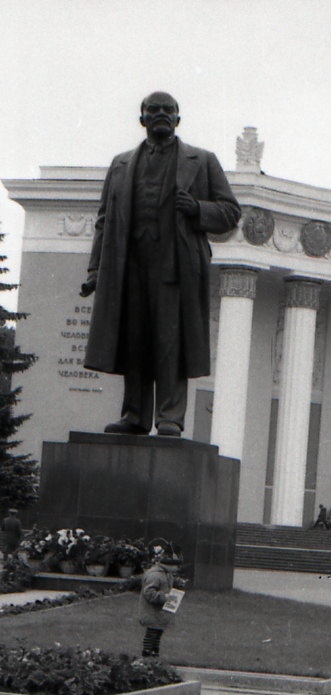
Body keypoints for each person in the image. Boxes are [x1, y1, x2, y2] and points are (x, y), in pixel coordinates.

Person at [80, 92, 241, 437]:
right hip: (130, 266)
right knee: (135, 341)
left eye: (168, 110)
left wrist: (197, 208)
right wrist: (96, 270)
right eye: (153, 110)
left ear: (178, 119)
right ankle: (135, 415)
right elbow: (104, 220)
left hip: (175, 268)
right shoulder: (121, 164)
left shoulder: (203, 160)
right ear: (142, 119)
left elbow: (230, 212)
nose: (161, 114)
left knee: (170, 343)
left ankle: (169, 417)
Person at [138, 539, 184, 656]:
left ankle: (154, 654)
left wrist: (178, 583)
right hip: (152, 612)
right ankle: (147, 654)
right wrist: (165, 597)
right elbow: (148, 593)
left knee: (157, 634)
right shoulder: (155, 575)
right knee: (151, 634)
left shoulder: (166, 574)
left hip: (158, 614)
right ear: (169, 565)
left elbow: (168, 584)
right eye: (176, 565)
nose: (178, 568)